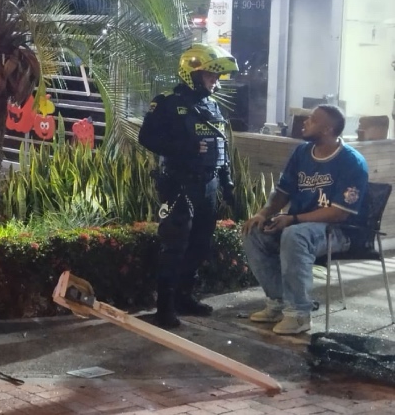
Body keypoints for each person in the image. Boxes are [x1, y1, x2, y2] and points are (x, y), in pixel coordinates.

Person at [241, 104, 368, 335]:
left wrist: (293, 219)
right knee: (255, 232)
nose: (305, 122)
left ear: (328, 128)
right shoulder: (301, 153)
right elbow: (282, 193)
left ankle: (299, 314)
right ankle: (278, 303)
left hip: (340, 231)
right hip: (301, 225)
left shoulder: (352, 161)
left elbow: (340, 212)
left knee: (294, 234)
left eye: (312, 119)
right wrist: (262, 214)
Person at [139, 43, 239, 328]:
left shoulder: (212, 105)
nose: (215, 82)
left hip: (207, 185)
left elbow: (221, 145)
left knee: (200, 244)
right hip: (177, 183)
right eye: (211, 77)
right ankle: (164, 308)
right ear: (192, 73)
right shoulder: (167, 103)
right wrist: (185, 147)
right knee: (175, 244)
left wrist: (227, 182)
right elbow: (147, 138)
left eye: (216, 78)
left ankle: (184, 296)